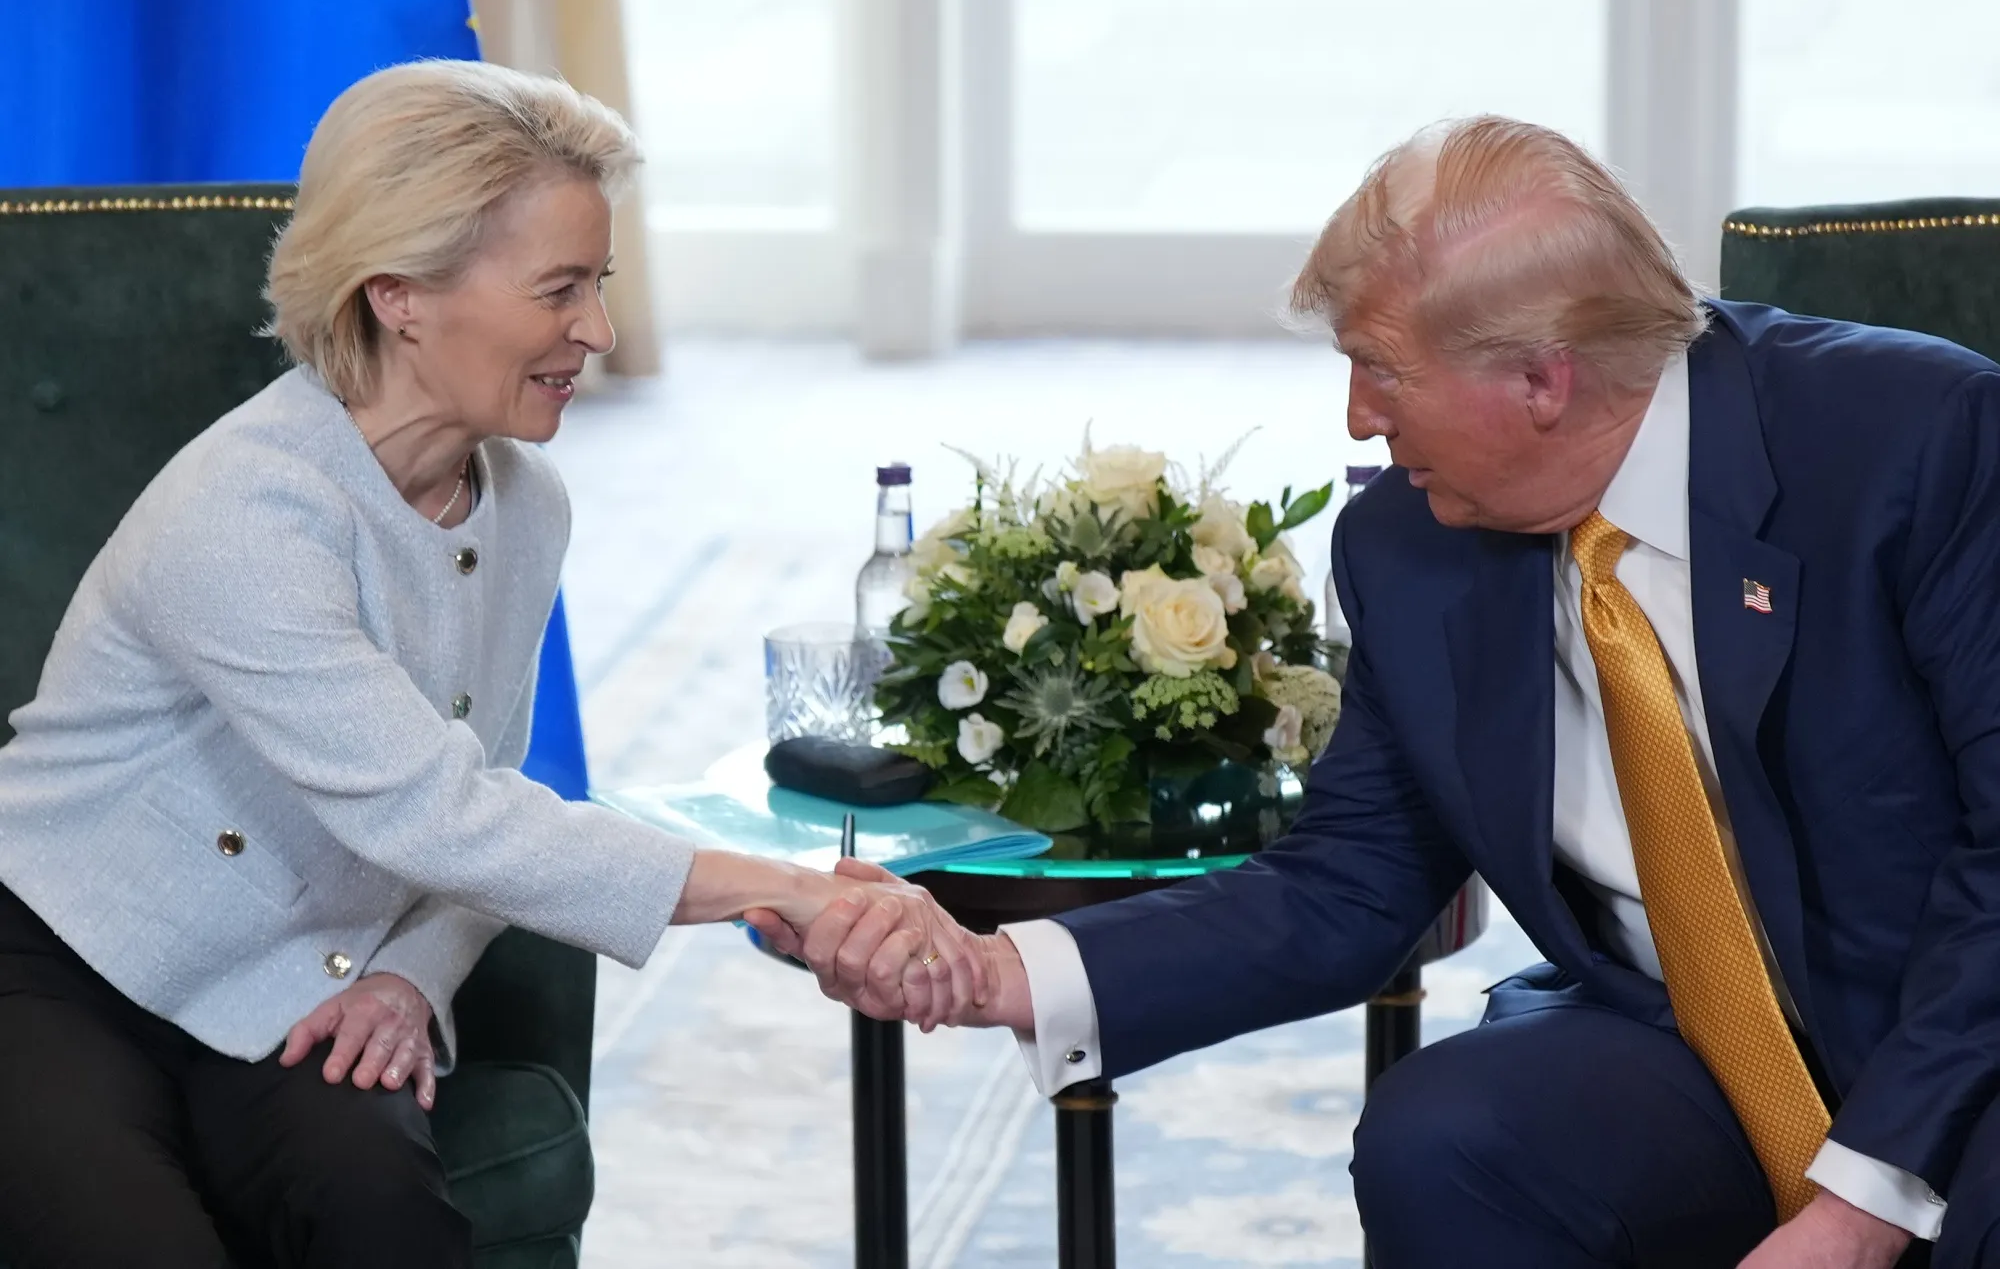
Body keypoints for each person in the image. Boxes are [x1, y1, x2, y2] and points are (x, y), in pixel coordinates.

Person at [757, 117, 2000, 1267]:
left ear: (1542, 380)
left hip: (1959, 1040)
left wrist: (1855, 1209)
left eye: (1379, 370)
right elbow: (1345, 881)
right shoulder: (1410, 545)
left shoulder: (1915, 440)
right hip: (1687, 1041)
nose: (1357, 419)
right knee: (1445, 1133)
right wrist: (988, 970)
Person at [0, 59, 979, 1268]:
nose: (598, 332)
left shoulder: (524, 502)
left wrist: (410, 978)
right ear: (399, 294)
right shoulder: (246, 513)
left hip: (292, 971)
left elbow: (487, 795)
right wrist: (788, 887)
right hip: (60, 962)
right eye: (558, 288)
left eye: (598, 283)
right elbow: (438, 812)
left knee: (389, 1218)